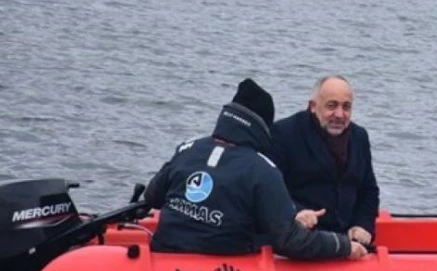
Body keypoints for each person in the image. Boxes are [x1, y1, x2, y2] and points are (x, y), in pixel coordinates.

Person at [143, 78, 367, 260]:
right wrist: (343, 246)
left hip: (165, 253)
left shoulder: (187, 149)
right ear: (261, 129)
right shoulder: (262, 170)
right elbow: (288, 240)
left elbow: (152, 196)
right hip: (222, 266)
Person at [270, 76, 379, 246]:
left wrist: (362, 225)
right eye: (331, 106)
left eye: (346, 107)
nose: (339, 114)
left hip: (348, 238)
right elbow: (270, 190)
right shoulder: (284, 134)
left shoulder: (359, 137)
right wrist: (295, 212)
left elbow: (369, 190)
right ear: (313, 106)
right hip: (302, 238)